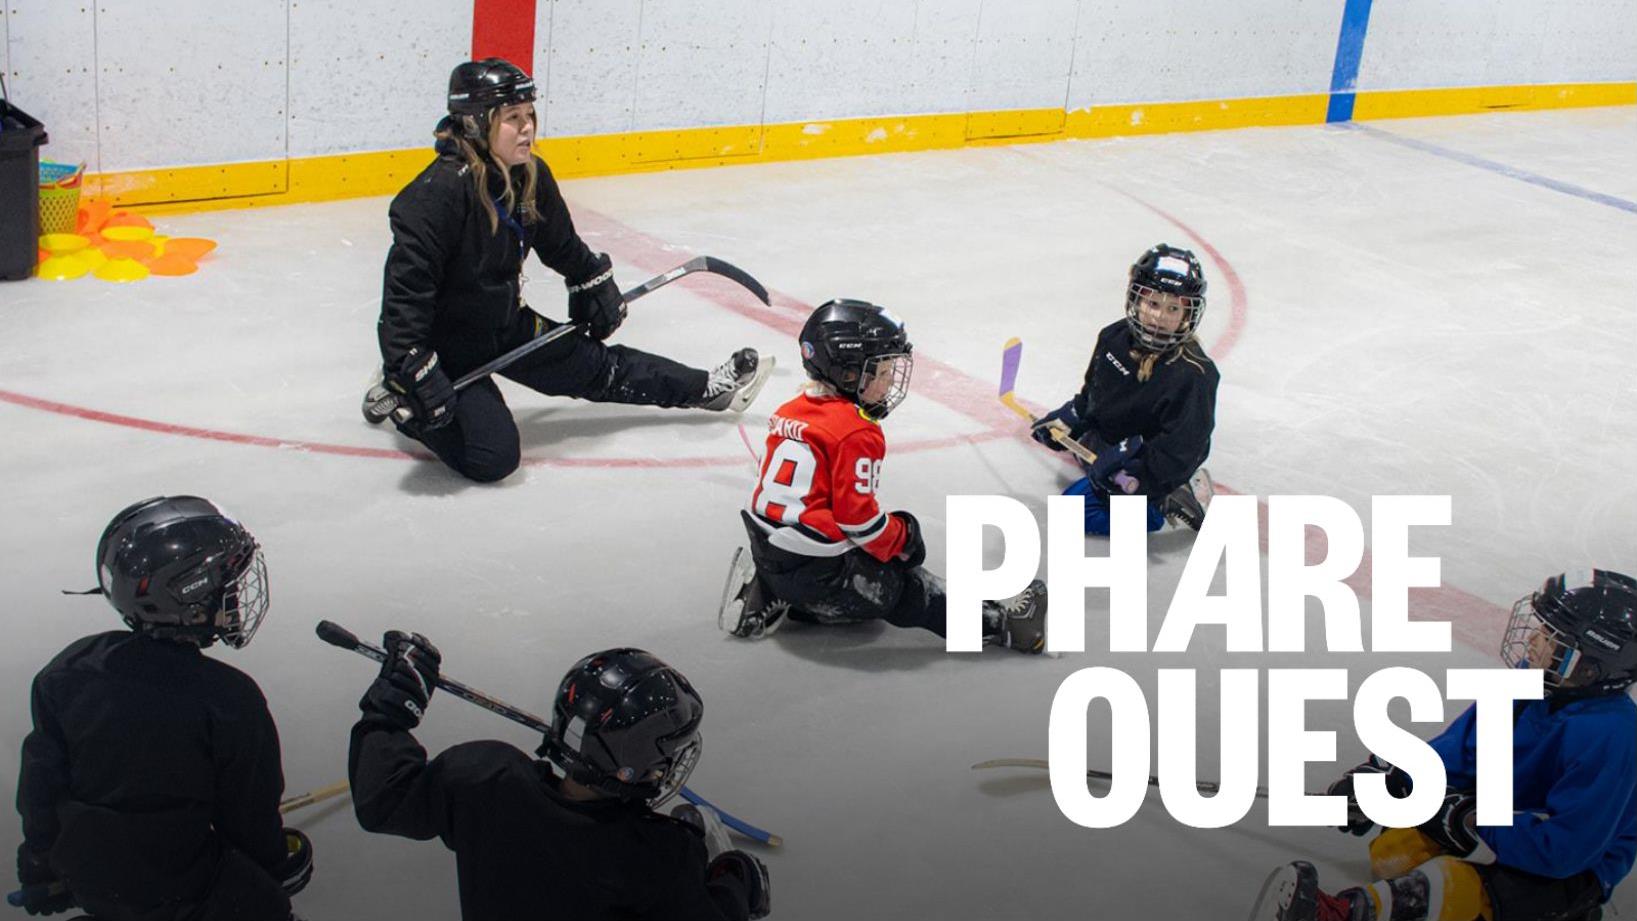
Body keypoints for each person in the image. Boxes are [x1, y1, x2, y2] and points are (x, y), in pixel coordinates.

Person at [369, 57, 772, 482]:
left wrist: (592, 283)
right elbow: (404, 303)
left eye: (529, 116)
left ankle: (705, 388)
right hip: (448, 349)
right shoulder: (433, 199)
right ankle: (404, 407)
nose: (527, 128)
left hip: (505, 327)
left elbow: (562, 246)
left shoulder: (529, 176)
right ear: (475, 123)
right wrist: (413, 368)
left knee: (601, 368)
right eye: (512, 118)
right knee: (494, 457)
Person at [1257, 569, 1637, 921]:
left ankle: (1345, 913)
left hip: (1573, 866)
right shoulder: (1529, 681)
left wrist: (1471, 820)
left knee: (1452, 880)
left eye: (1553, 638)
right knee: (1395, 848)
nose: (1534, 640)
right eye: (1542, 627)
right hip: (1508, 820)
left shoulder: (1612, 737)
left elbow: (1563, 850)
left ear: (1592, 665)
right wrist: (1389, 778)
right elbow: (1462, 749)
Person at [14, 497, 312, 920]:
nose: (236, 594)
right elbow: (249, 821)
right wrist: (275, 867)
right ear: (189, 594)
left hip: (95, 884)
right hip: (185, 895)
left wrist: (40, 864)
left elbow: (41, 788)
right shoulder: (229, 699)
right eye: (226, 583)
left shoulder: (69, 669)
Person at [348, 633, 770, 920]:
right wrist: (736, 878)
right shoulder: (660, 854)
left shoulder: (485, 780)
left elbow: (383, 798)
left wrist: (390, 708)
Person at [720, 298, 1047, 650]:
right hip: (821, 572)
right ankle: (1006, 624)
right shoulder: (855, 430)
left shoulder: (791, 411)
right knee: (904, 588)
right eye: (883, 371)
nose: (890, 382)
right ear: (847, 371)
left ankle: (766, 589)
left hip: (768, 550)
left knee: (814, 549)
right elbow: (858, 522)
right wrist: (904, 537)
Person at [1031, 243, 1219, 534]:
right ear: (1136, 299)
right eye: (1153, 304)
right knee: (1087, 464)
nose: (1159, 316)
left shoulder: (1194, 376)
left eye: (1172, 308)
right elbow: (1094, 398)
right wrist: (1068, 419)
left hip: (1150, 464)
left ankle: (1167, 501)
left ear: (1188, 314)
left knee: (1069, 513)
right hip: (1110, 446)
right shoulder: (1113, 338)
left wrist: (1141, 476)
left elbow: (1181, 451)